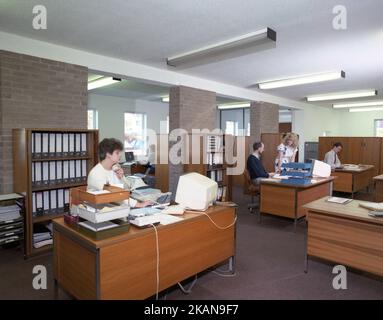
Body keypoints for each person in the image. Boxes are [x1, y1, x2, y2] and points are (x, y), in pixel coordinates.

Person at [87, 138, 152, 208]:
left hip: (117, 207)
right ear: (108, 154)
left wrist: (121, 178)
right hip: (102, 211)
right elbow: (115, 195)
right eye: (117, 153)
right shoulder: (96, 174)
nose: (120, 155)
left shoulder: (115, 168)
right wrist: (138, 204)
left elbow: (127, 190)